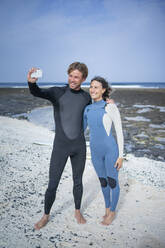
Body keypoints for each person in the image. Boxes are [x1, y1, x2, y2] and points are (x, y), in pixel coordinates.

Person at [27, 62, 91, 229]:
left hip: (79, 147)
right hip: (60, 146)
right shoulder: (57, 92)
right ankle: (45, 215)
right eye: (70, 76)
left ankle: (77, 211)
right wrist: (32, 83)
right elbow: (37, 92)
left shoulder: (86, 97)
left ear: (83, 78)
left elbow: (98, 108)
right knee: (53, 183)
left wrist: (108, 101)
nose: (72, 79)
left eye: (76, 77)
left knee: (78, 181)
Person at [83, 76, 124, 225]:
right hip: (95, 151)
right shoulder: (87, 109)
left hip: (110, 150)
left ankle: (112, 212)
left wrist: (121, 156)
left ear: (103, 90)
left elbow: (119, 132)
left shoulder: (110, 107)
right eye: (91, 86)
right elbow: (81, 130)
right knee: (103, 181)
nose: (93, 90)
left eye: (96, 87)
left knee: (112, 181)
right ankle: (107, 209)